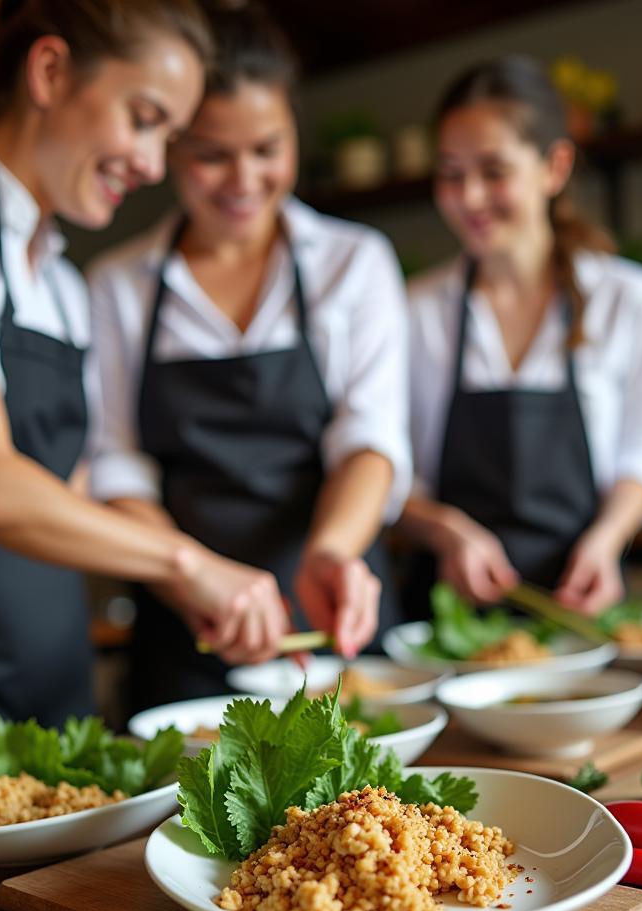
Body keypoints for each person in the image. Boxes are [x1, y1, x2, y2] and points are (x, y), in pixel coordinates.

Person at [0, 0, 292, 808]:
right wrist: (190, 563)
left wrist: (202, 593)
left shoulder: (64, 284)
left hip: (46, 664)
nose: (151, 164)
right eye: (143, 120)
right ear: (49, 73)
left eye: (165, 137)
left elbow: (64, 487)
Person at [88, 0, 411, 709]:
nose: (243, 180)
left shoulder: (352, 262)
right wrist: (191, 578)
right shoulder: (119, 285)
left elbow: (369, 438)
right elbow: (116, 467)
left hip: (333, 629)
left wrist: (333, 551)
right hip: (186, 634)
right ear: (170, 145)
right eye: (211, 154)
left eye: (267, 149)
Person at [399, 55, 642, 617]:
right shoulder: (417, 309)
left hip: (580, 609)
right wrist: (444, 529)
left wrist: (606, 540)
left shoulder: (625, 297)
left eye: (493, 171)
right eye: (451, 174)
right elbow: (386, 471)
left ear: (554, 167)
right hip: (444, 621)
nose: (469, 197)